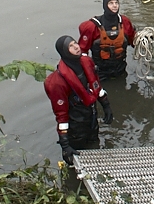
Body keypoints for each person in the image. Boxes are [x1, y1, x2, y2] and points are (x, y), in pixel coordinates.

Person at [44, 35, 114, 165]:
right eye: (70, 46)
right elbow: (61, 114)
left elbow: (96, 85)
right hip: (75, 124)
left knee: (94, 146)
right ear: (64, 51)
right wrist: (65, 145)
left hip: (91, 115)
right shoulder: (57, 82)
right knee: (76, 157)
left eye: (75, 43)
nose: (76, 46)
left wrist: (106, 105)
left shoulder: (86, 62)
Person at [78, 0, 137, 80]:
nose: (114, 6)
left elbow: (134, 42)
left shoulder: (125, 22)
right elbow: (82, 52)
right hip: (100, 71)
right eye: (111, 3)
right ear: (105, 5)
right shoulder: (92, 26)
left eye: (116, 3)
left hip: (120, 69)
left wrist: (144, 39)